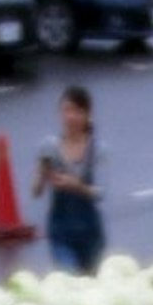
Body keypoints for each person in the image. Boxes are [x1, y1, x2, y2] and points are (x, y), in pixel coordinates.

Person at [37, 84, 104, 273]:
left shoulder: (98, 149)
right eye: (66, 111)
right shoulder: (49, 147)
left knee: (91, 284)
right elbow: (36, 191)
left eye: (77, 111)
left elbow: (101, 192)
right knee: (69, 276)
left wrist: (78, 186)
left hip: (89, 231)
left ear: (87, 114)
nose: (71, 117)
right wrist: (42, 174)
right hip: (60, 230)